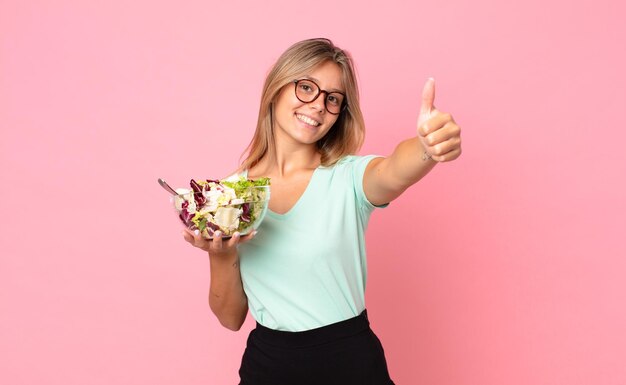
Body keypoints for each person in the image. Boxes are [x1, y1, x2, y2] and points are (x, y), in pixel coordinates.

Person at [182, 38, 462, 385]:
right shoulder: (232, 195)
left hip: (350, 364)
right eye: (306, 88)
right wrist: (219, 253)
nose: (317, 105)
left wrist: (426, 147)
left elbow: (393, 169)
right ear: (277, 89)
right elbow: (230, 318)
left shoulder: (348, 178)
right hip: (268, 366)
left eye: (332, 99)